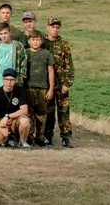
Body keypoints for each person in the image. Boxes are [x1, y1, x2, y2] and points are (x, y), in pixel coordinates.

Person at [44, 17, 75, 148]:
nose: (55, 29)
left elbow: (70, 65)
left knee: (64, 111)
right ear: (47, 27)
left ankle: (66, 137)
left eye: (57, 27)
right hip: (47, 84)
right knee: (48, 112)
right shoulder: (43, 42)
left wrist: (67, 83)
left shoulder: (64, 44)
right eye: (52, 27)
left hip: (61, 84)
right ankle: (47, 136)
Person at [25, 30, 55, 146]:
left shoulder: (46, 54)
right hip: (28, 88)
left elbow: (51, 71)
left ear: (41, 41)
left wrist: (51, 89)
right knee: (29, 113)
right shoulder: (25, 53)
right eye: (33, 40)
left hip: (43, 88)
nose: (35, 42)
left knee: (42, 114)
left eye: (38, 40)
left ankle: (40, 137)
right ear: (29, 41)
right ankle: (30, 137)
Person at [0, 68, 32, 148]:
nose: (9, 82)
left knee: (24, 121)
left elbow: (24, 110)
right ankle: (9, 138)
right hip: (2, 121)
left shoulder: (20, 91)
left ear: (15, 80)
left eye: (12, 80)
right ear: (3, 79)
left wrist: (8, 116)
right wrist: (1, 129)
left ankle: (23, 142)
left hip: (15, 119)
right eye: (6, 79)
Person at [0, 22, 27, 91]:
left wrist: (21, 75)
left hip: (14, 80)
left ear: (9, 32)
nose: (3, 36)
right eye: (1, 34)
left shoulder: (18, 46)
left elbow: (24, 61)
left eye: (5, 33)